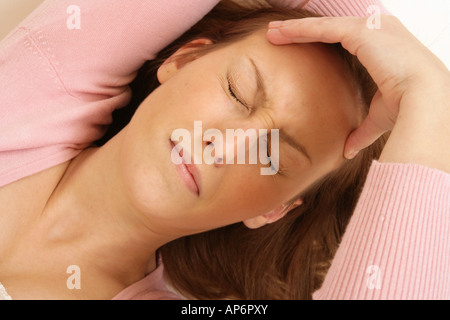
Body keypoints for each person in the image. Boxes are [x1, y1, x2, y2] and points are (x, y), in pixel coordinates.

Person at [0, 1, 448, 301]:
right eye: (238, 93)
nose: (227, 148)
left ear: (273, 211)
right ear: (184, 61)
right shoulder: (31, 92)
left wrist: (431, 100)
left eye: (274, 157)